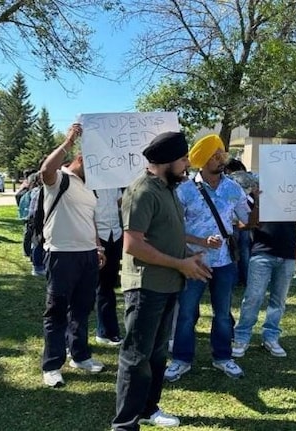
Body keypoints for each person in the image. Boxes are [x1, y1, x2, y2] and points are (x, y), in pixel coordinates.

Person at [111, 131, 212, 430]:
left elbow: (169, 235)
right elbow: (133, 245)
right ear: (166, 161)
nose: (186, 165)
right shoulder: (141, 191)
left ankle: (148, 408)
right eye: (183, 160)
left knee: (155, 355)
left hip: (168, 284)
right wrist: (180, 263)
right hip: (146, 288)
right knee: (135, 356)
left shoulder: (168, 188)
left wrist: (189, 258)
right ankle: (125, 425)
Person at [165, 134, 255, 382]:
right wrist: (200, 242)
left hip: (225, 262)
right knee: (186, 313)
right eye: (215, 155)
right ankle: (181, 360)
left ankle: (223, 357)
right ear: (202, 160)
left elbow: (247, 220)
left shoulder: (233, 188)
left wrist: (259, 202)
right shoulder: (183, 190)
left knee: (223, 313)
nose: (221, 159)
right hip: (192, 262)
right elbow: (173, 229)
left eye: (221, 154)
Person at [39, 123, 107, 388]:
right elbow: (46, 170)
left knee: (82, 308)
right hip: (60, 255)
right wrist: (68, 141)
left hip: (87, 256)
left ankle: (80, 355)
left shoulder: (91, 187)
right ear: (80, 159)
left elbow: (89, 219)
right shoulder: (60, 179)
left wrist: (98, 246)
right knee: (56, 312)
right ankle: (52, 365)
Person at [231, 221, 296, 359]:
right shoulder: (263, 199)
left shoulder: (295, 199)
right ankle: (242, 336)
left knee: (279, 298)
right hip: (262, 251)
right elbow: (243, 224)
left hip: (289, 252)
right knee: (253, 296)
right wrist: (257, 202)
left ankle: (271, 336)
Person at [94, 187, 124, 346]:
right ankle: (105, 330)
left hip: (114, 235)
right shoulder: (88, 183)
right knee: (97, 287)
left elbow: (122, 203)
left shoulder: (113, 182)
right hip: (97, 237)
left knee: (108, 285)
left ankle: (107, 331)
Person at [224, 158, 258, 287]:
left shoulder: (228, 180)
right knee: (245, 250)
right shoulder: (252, 178)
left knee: (232, 251)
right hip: (248, 218)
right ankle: (247, 278)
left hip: (231, 220)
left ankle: (234, 279)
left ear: (228, 169)